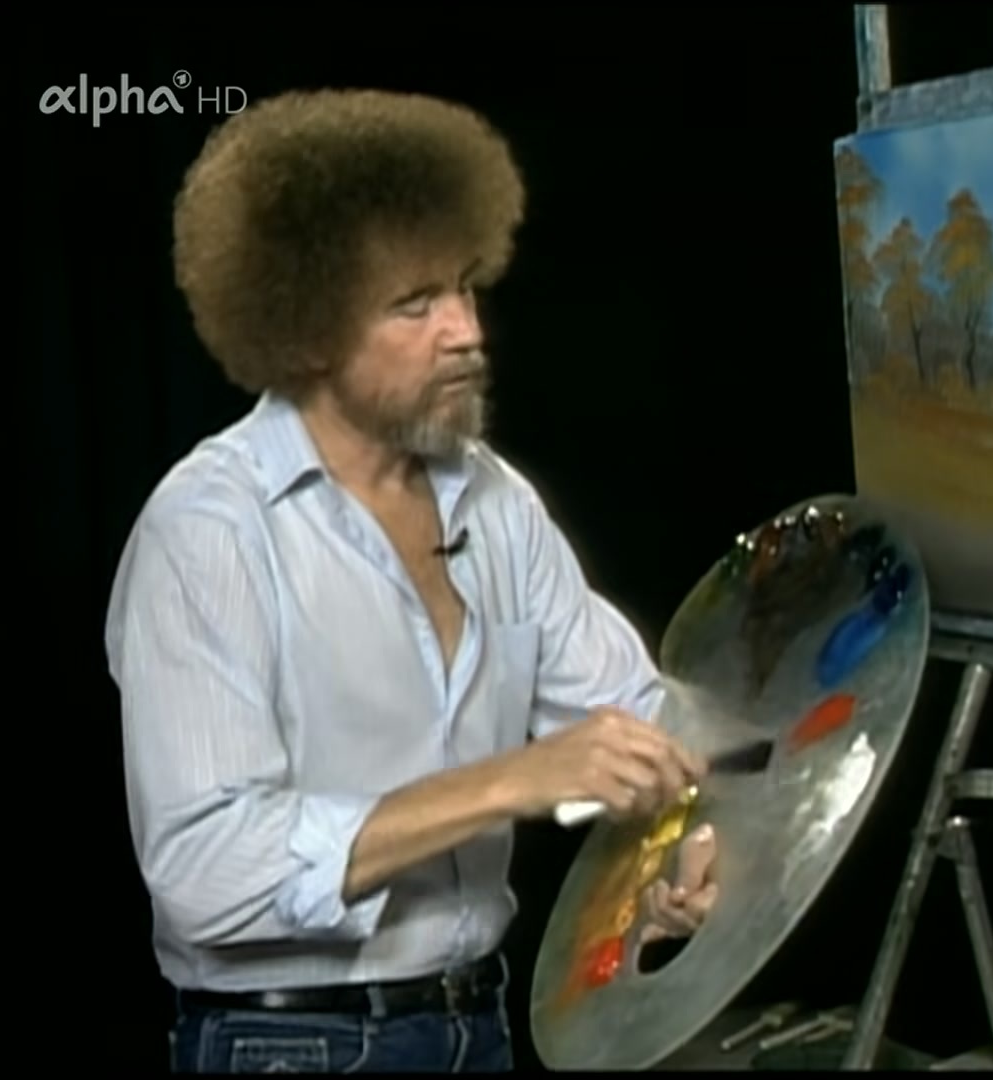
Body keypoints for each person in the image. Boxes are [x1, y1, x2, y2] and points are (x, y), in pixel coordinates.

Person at [103, 88, 721, 1074]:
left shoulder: (497, 502)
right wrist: (511, 780)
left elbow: (634, 716)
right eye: (415, 304)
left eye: (466, 289)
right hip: (288, 1044)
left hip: (483, 1025)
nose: (467, 332)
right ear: (306, 328)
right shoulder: (210, 530)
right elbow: (205, 872)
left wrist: (683, 841)